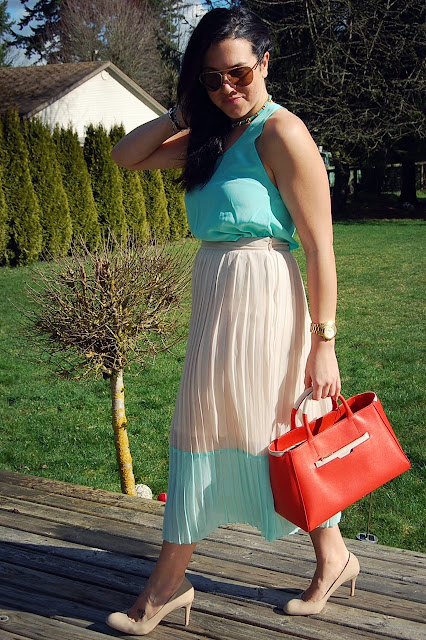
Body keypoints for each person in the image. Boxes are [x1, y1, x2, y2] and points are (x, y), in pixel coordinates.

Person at [106, 6, 359, 636]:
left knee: (280, 427)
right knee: (210, 423)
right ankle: (331, 555)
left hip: (269, 297)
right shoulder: (210, 134)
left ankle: (168, 586)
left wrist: (323, 343)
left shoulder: (283, 133)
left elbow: (321, 247)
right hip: (217, 294)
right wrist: (183, 112)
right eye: (212, 78)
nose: (229, 88)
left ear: (265, 63)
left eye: (239, 73)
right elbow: (125, 156)